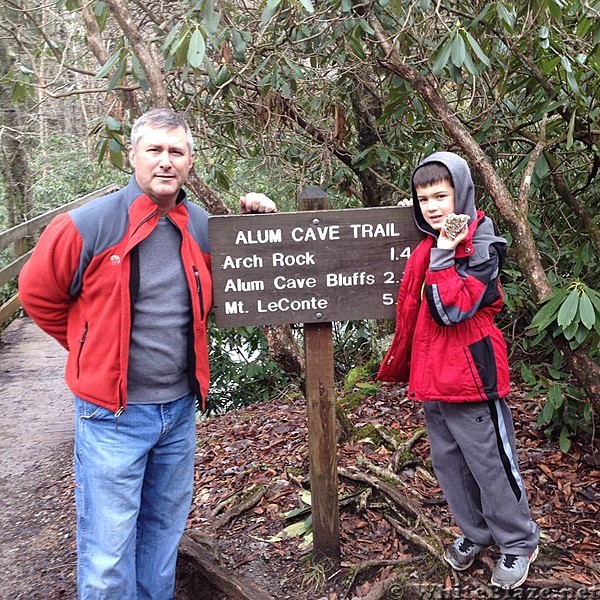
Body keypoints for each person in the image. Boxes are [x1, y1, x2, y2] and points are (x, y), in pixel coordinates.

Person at [18, 108, 276, 600]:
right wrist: (89, 348)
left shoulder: (198, 224)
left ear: (190, 162)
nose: (165, 162)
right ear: (132, 156)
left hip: (177, 412)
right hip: (112, 415)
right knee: (109, 550)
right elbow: (37, 296)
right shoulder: (88, 225)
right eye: (154, 150)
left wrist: (250, 225)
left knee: (161, 538)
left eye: (175, 152)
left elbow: (236, 284)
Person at [377, 151, 539, 590]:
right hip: (433, 375)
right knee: (449, 463)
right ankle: (476, 533)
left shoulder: (481, 243)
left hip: (471, 372)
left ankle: (519, 541)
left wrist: (446, 255)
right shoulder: (429, 245)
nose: (431, 207)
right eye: (423, 197)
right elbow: (413, 312)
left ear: (461, 194)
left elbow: (452, 309)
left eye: (441, 196)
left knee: (491, 463)